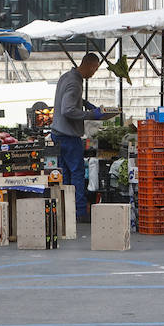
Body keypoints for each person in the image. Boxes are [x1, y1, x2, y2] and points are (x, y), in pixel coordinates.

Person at [50, 52, 104, 223]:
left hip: (57, 133)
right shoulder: (75, 83)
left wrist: (86, 103)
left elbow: (71, 100)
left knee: (64, 174)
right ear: (89, 65)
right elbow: (68, 109)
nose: (93, 73)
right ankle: (80, 212)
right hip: (69, 136)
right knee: (77, 173)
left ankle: (65, 210)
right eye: (94, 69)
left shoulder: (66, 77)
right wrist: (90, 114)